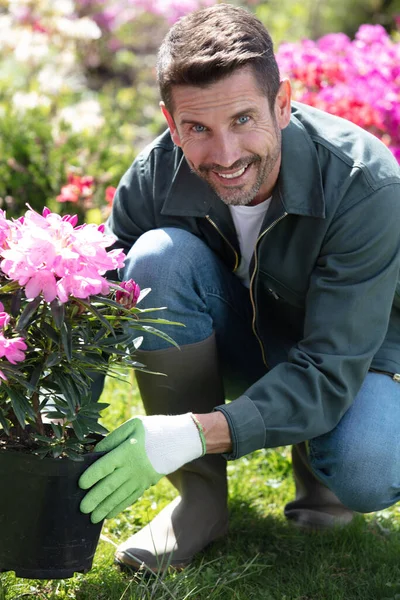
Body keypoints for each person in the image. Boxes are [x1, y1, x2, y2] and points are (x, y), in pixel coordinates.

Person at [78, 3, 400, 574]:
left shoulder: (365, 185)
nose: (224, 156)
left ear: (282, 104)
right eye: (197, 128)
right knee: (156, 257)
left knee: (368, 466)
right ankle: (200, 504)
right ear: (172, 122)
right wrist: (47, 415)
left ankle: (321, 462)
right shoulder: (156, 173)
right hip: (239, 340)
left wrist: (194, 432)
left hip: (353, 359)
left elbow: (331, 363)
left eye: (244, 120)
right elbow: (91, 306)